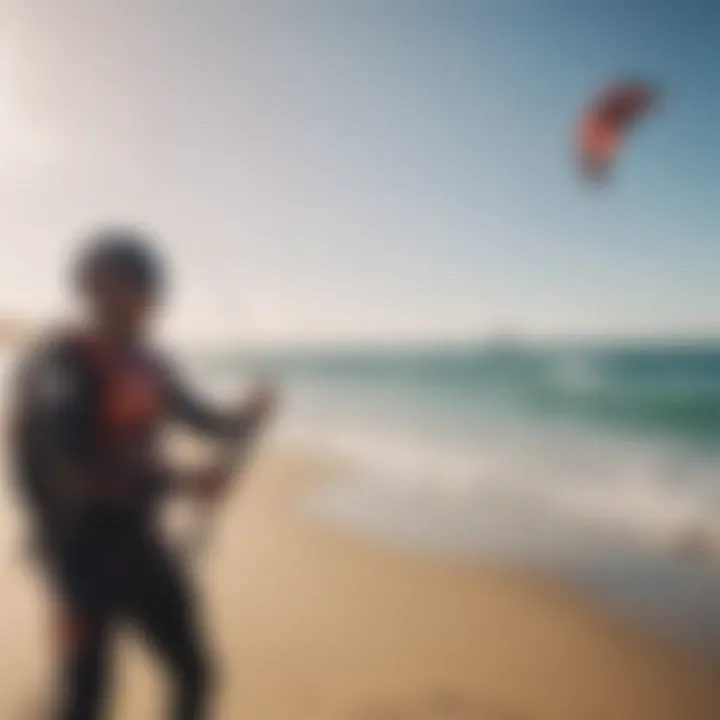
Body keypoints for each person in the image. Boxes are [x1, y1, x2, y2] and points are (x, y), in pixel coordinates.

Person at [10, 226, 274, 720]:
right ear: (89, 288)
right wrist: (183, 483)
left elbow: (206, 421)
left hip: (141, 544)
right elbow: (72, 467)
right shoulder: (61, 366)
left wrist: (245, 416)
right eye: (116, 287)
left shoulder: (151, 363)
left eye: (146, 289)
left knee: (194, 671)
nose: (138, 302)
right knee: (86, 700)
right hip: (79, 558)